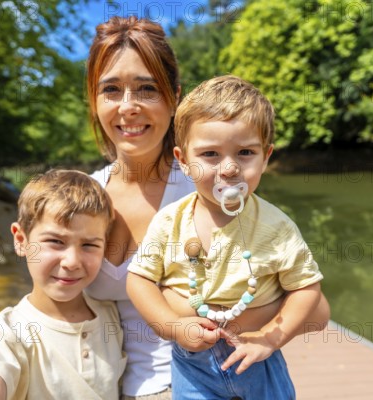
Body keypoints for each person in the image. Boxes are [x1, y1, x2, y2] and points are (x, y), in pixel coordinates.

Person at [84, 16, 330, 400]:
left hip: (200, 373)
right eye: (111, 89)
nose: (128, 107)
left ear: (173, 96)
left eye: (147, 89)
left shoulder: (215, 188)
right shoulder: (82, 197)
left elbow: (316, 310)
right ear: (94, 100)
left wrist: (220, 317)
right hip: (102, 384)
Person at [126, 75, 324, 399]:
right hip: (192, 363)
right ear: (183, 161)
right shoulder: (169, 221)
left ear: (266, 156)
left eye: (245, 152)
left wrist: (270, 338)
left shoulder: (276, 226)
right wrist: (173, 326)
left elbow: (306, 287)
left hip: (258, 358)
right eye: (210, 155)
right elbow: (139, 280)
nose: (230, 168)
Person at [0, 170, 125, 400]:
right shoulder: (2, 336)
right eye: (56, 242)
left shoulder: (114, 314)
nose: (72, 262)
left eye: (89, 245)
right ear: (21, 240)